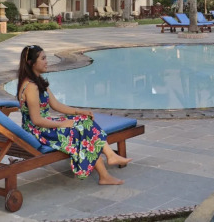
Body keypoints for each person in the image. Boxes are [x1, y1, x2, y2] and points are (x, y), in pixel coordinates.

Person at [17, 45, 131, 185]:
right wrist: (62, 124)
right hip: (38, 132)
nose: (47, 61)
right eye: (43, 58)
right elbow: (36, 120)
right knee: (83, 131)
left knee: (85, 120)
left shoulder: (37, 81)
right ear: (31, 63)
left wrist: (79, 111)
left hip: (46, 125)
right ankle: (106, 171)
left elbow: (56, 105)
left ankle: (110, 158)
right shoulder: (31, 87)